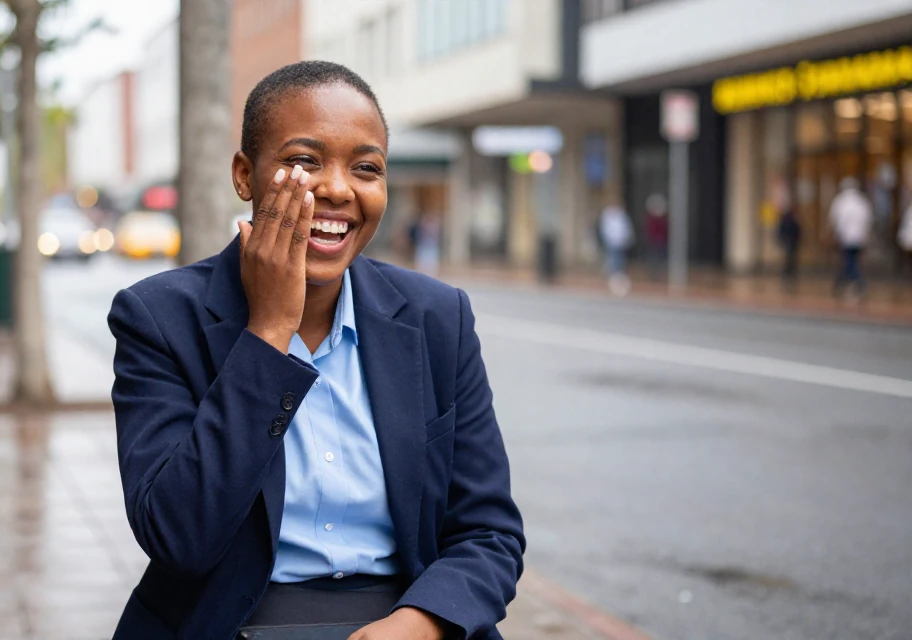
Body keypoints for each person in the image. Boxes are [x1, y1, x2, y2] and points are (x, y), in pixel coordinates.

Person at [107, 61, 524, 640]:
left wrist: (422, 622)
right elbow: (179, 537)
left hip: (403, 619)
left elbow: (489, 532)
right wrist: (269, 331)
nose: (337, 189)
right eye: (304, 161)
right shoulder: (158, 319)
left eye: (366, 168)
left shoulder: (436, 318)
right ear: (245, 175)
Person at [828, 177, 872, 298]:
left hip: (846, 237)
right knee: (850, 260)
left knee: (849, 261)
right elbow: (867, 220)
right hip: (859, 238)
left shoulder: (841, 201)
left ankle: (858, 282)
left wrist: (836, 234)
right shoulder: (862, 201)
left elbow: (835, 219)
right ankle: (839, 284)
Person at [599, 199, 634, 296]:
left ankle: (618, 281)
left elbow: (626, 228)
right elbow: (605, 229)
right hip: (611, 242)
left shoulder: (622, 215)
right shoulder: (607, 215)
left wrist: (626, 238)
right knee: (613, 261)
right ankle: (613, 282)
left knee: (620, 261)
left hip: (621, 242)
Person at [643, 194, 668, 278]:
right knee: (653, 258)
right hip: (654, 242)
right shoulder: (651, 219)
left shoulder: (662, 219)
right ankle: (652, 273)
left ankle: (659, 273)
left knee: (661, 258)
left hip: (661, 242)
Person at [777, 207, 802, 288]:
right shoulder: (787, 220)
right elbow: (782, 231)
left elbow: (797, 231)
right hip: (788, 241)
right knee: (789, 257)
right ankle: (787, 272)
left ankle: (790, 271)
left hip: (792, 241)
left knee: (791, 257)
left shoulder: (793, 220)